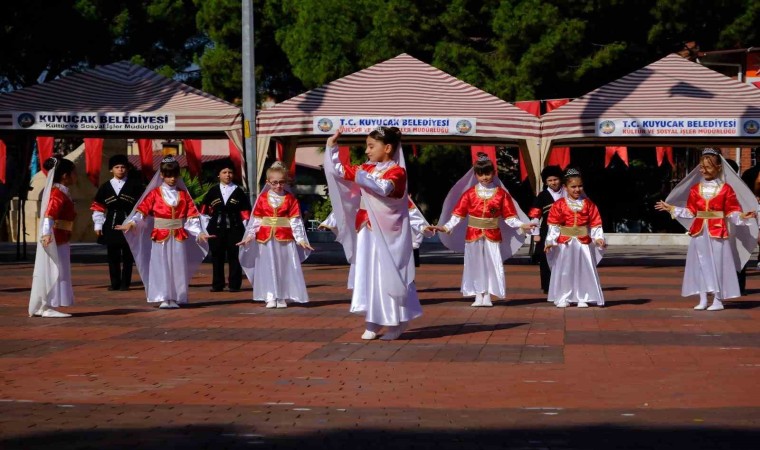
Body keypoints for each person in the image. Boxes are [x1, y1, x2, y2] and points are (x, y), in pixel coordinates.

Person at [324, 126, 420, 341]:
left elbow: (385, 188)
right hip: (366, 230)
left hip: (387, 233)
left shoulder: (397, 172)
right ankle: (373, 320)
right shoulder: (366, 168)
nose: (366, 151)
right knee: (369, 273)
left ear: (387, 148)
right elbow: (338, 170)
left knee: (388, 274)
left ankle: (397, 320)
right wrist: (332, 146)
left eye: (371, 146)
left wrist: (360, 174)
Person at [656, 148, 757, 311]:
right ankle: (702, 298)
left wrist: (743, 216)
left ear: (718, 168)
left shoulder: (726, 189)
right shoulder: (696, 189)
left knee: (717, 264)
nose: (704, 170)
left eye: (708, 167)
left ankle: (717, 299)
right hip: (699, 232)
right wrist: (672, 209)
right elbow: (691, 211)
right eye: (702, 167)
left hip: (717, 231)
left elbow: (732, 212)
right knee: (700, 264)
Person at [430, 153, 535, 307]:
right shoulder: (470, 193)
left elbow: (509, 216)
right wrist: (446, 227)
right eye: (481, 174)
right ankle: (478, 295)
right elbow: (458, 215)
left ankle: (488, 295)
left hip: (492, 234)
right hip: (473, 234)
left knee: (492, 263)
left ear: (493, 173)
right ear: (476, 175)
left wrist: (521, 225)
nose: (485, 177)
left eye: (488, 173)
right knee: (474, 264)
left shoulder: (501, 194)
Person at [116, 156, 210, 309]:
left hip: (178, 235)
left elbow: (192, 217)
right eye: (168, 175)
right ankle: (163, 296)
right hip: (160, 235)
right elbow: (142, 213)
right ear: (161, 175)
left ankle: (176, 296)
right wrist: (132, 223)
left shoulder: (184, 195)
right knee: (161, 265)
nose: (172, 178)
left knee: (178, 266)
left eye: (174, 175)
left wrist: (199, 232)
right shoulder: (154, 194)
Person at [238, 161, 313, 308]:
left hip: (285, 239)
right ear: (268, 182)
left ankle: (282, 295)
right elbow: (256, 219)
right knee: (267, 266)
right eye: (274, 182)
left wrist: (300, 239)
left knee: (284, 266)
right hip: (266, 238)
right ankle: (269, 295)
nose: (278, 185)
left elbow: (295, 220)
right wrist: (249, 236)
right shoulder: (263, 198)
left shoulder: (290, 199)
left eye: (281, 182)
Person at [544, 168, 606, 308]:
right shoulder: (558, 205)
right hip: (565, 243)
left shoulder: (589, 205)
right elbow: (553, 225)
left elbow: (596, 223)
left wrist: (598, 238)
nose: (577, 189)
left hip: (583, 243)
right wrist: (550, 241)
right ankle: (563, 296)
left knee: (583, 269)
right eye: (573, 187)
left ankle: (582, 296)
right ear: (565, 187)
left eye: (580, 186)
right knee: (565, 270)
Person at [29, 156, 78, 318]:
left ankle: (48, 303)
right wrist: (46, 233)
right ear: (65, 175)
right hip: (55, 237)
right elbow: (50, 214)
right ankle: (46, 304)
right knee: (52, 269)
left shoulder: (62, 192)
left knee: (59, 269)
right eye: (73, 173)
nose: (75, 176)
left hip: (61, 236)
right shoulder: (57, 193)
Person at [318, 198, 433, 267]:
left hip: (387, 229)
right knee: (366, 261)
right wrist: (330, 221)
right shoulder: (361, 177)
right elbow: (347, 201)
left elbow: (408, 209)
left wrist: (422, 226)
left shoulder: (391, 178)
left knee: (387, 262)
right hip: (365, 229)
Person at [90, 155, 144, 291]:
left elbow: (142, 206)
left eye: (123, 167)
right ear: (111, 170)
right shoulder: (105, 187)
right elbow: (98, 206)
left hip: (129, 224)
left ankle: (125, 283)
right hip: (111, 224)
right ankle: (114, 283)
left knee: (128, 256)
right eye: (117, 167)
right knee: (112, 255)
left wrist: (133, 222)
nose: (120, 170)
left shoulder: (135, 185)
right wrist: (98, 224)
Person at [201, 160, 252, 292]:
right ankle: (217, 284)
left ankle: (234, 284)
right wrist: (205, 230)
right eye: (224, 172)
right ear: (219, 175)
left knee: (234, 256)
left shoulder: (239, 191)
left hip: (235, 228)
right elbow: (204, 212)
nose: (227, 175)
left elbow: (246, 213)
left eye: (230, 172)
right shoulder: (212, 191)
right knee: (217, 256)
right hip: (215, 229)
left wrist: (247, 232)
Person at [528, 165, 565, 294]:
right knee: (546, 259)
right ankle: (548, 286)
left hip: (565, 230)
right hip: (546, 231)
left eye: (555, 179)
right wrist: (536, 234)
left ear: (560, 179)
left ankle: (564, 285)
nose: (553, 182)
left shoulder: (567, 193)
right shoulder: (542, 196)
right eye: (550, 180)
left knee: (564, 257)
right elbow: (534, 216)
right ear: (545, 182)